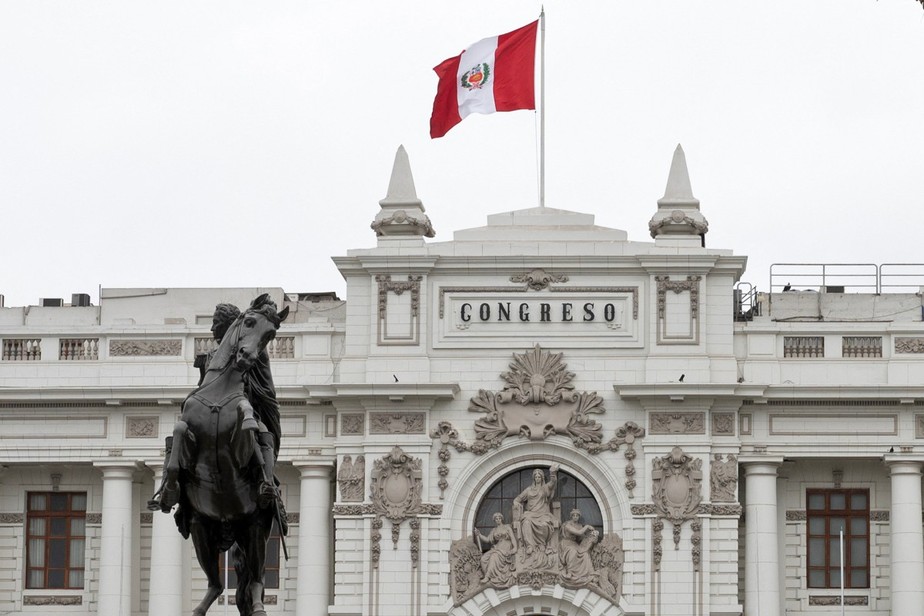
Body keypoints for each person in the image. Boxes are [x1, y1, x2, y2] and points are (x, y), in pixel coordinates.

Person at [512, 465, 559, 569]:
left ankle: (542, 545)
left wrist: (553, 473)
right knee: (526, 522)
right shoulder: (528, 490)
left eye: (539, 477)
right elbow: (517, 499)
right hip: (531, 514)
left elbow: (553, 482)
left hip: (543, 514)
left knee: (544, 524)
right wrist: (516, 504)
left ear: (542, 478)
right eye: (536, 477)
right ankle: (530, 546)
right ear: (534, 478)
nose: (537, 478)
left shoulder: (545, 488)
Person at [475, 512, 518, 587]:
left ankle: (487, 577)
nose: (498, 520)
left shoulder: (507, 527)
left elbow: (513, 538)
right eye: (496, 519)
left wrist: (515, 548)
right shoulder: (494, 530)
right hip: (497, 547)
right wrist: (479, 535)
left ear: (502, 519)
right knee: (483, 559)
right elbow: (487, 540)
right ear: (494, 520)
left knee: (494, 557)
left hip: (505, 547)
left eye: (499, 518)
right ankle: (490, 575)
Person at [559, 508, 599, 585]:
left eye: (577, 515)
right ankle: (570, 572)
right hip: (566, 543)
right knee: (572, 551)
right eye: (573, 515)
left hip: (574, 543)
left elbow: (581, 538)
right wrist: (587, 526)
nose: (575, 517)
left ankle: (590, 573)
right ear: (571, 516)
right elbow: (578, 532)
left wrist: (591, 536)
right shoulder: (567, 525)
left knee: (584, 554)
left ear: (579, 517)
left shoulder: (579, 526)